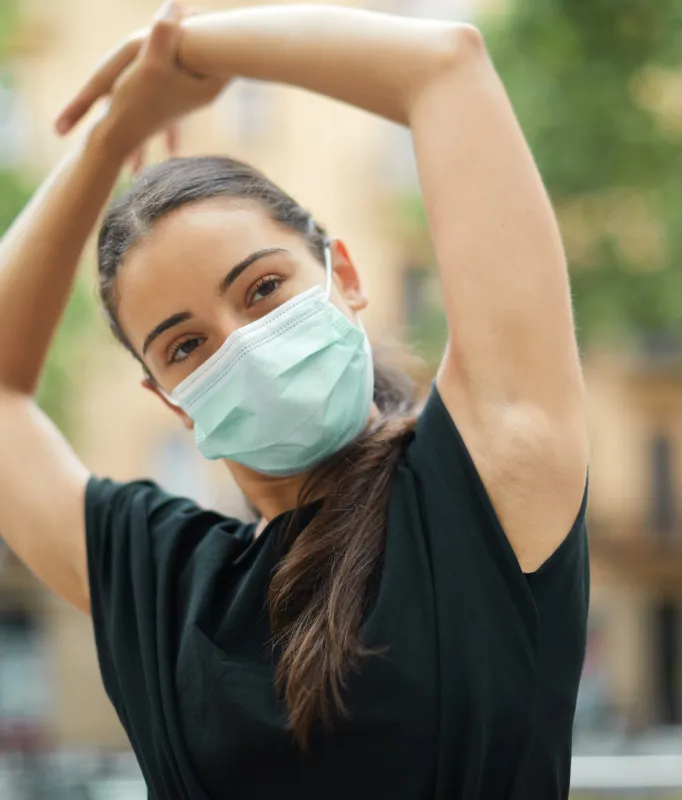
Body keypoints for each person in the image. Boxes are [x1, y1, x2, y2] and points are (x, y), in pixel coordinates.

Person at [0, 2, 590, 798]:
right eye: (185, 345)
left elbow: (447, 66)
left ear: (342, 276)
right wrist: (112, 134)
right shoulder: (164, 582)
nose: (240, 343)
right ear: (172, 402)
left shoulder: (480, 485)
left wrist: (185, 51)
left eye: (263, 288)